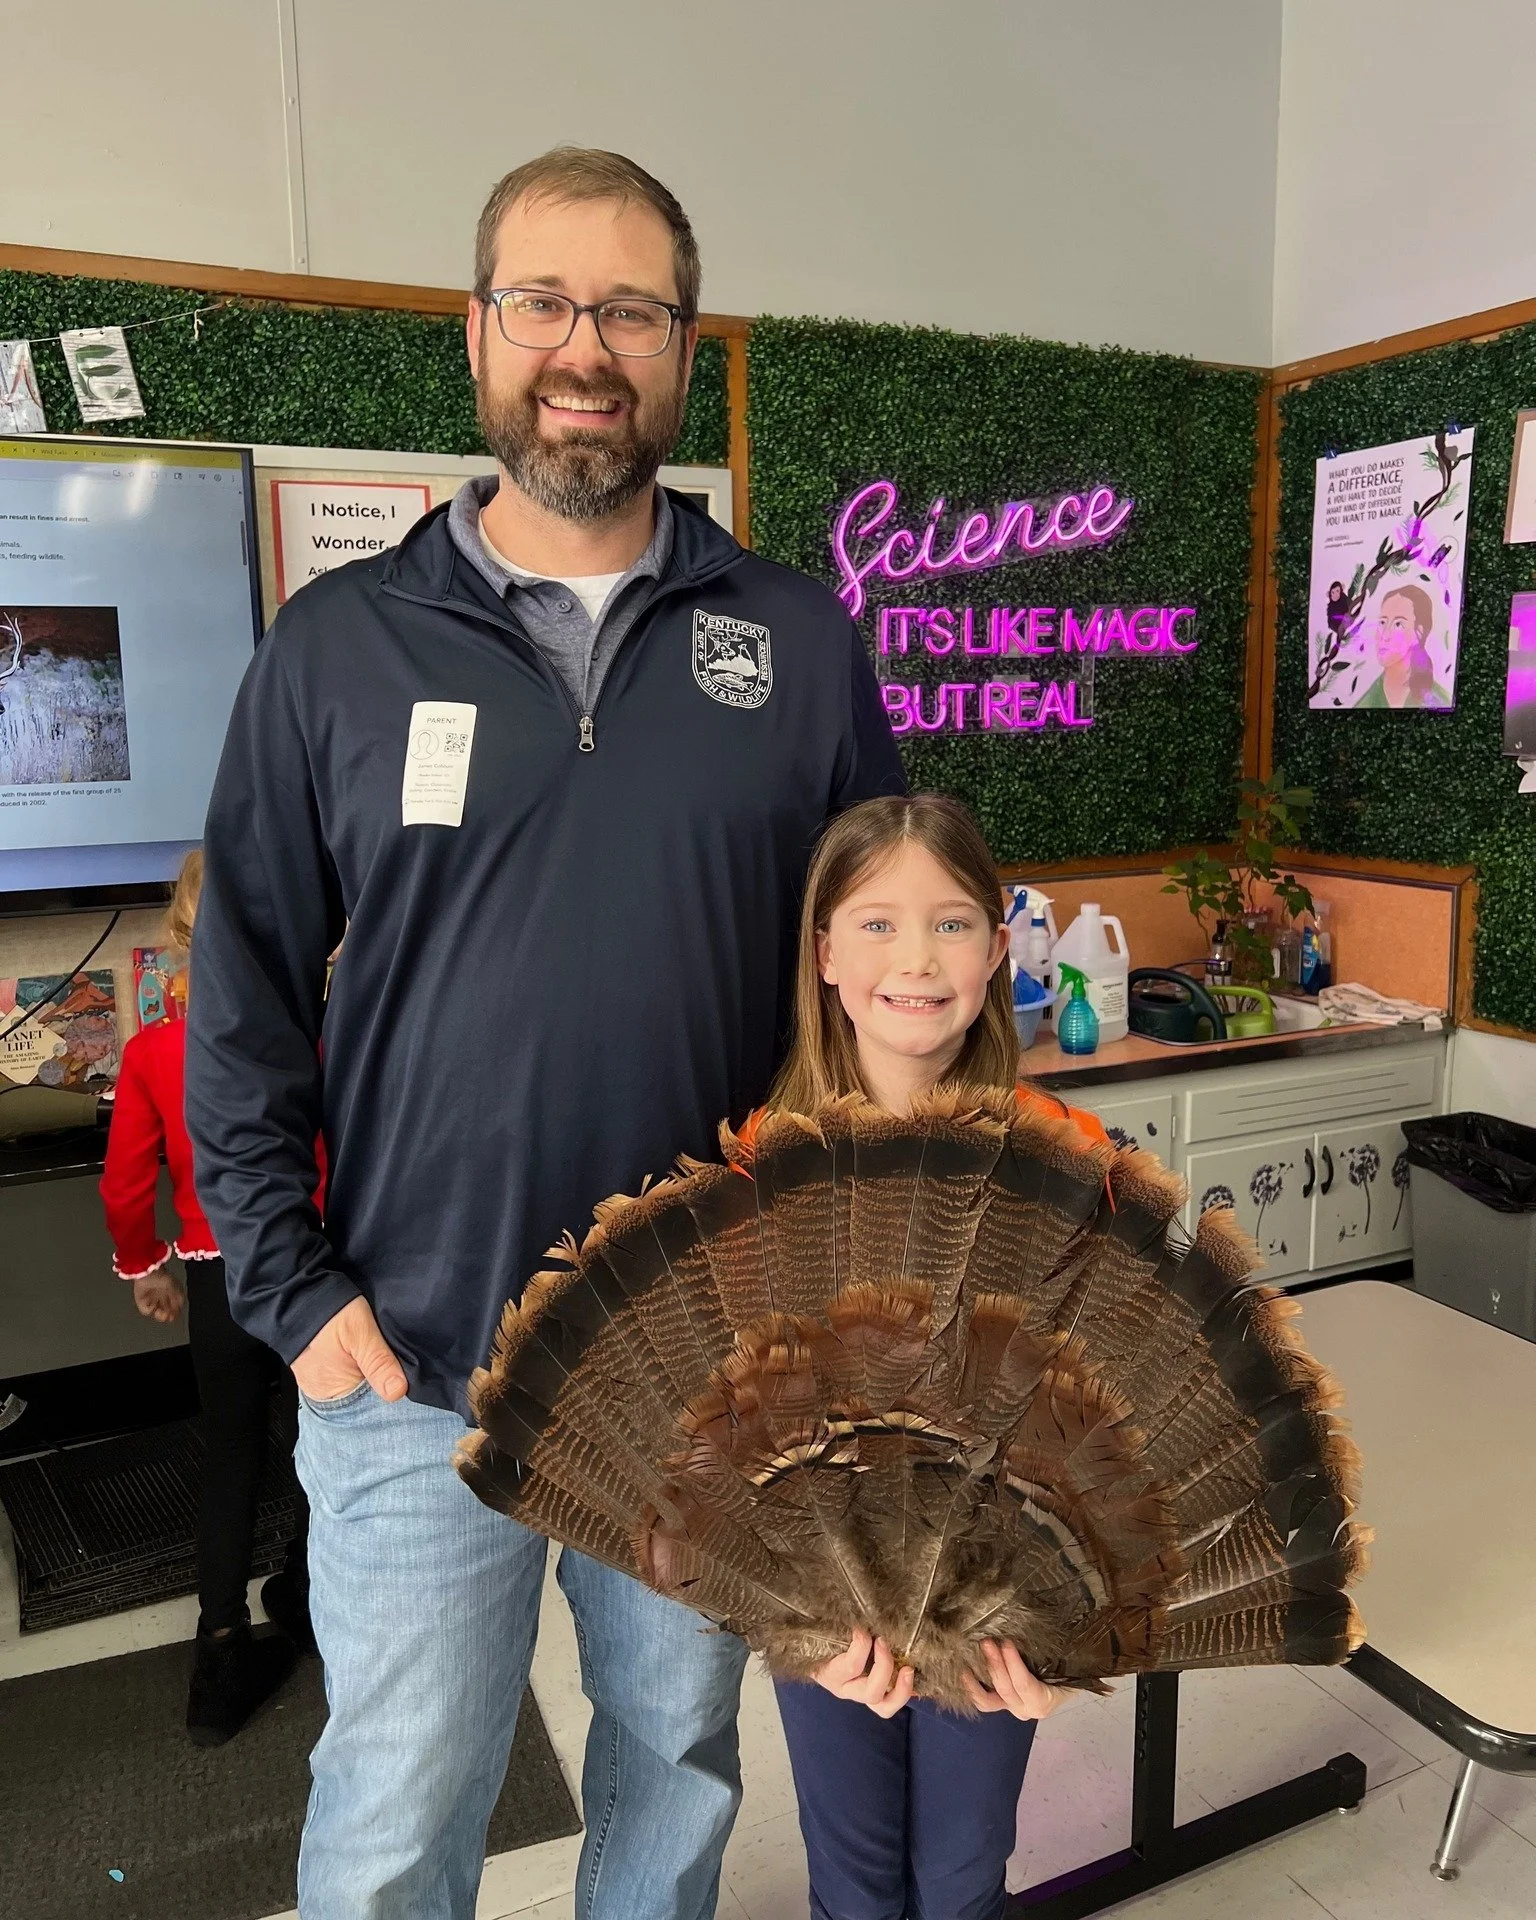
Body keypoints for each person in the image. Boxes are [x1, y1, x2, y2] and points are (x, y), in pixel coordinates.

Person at [184, 145, 905, 1920]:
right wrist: (294, 1293)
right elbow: (247, 988)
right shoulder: (334, 651)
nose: (587, 346)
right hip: (412, 1364)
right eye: (546, 302)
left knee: (670, 1781)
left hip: (705, 1379)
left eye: (633, 309)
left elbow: (883, 986)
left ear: (681, 346)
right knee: (396, 1814)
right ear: (478, 332)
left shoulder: (797, 646)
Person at [746, 792, 1111, 1920]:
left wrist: (1074, 1637)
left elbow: (1107, 1418)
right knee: (851, 1886)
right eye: (876, 923)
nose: (916, 956)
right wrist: (793, 1623)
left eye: (952, 923)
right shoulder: (765, 1163)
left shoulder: (1067, 1152)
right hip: (831, 1609)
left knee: (962, 1880)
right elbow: (741, 1429)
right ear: (822, 955)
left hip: (998, 1611)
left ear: (1000, 950)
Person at [99, 850, 313, 1745]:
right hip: (307, 1274)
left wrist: (145, 1263)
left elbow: (120, 1184)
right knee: (320, 1450)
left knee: (230, 1458)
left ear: (178, 936)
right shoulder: (307, 1034)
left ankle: (218, 1663)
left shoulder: (151, 1052)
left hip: (218, 1279)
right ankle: (310, 1603)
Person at [1360, 583, 1450, 708]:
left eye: (1398, 624)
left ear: (1418, 633)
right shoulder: (1365, 703)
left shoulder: (1440, 702)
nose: (1384, 635)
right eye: (1382, 622)